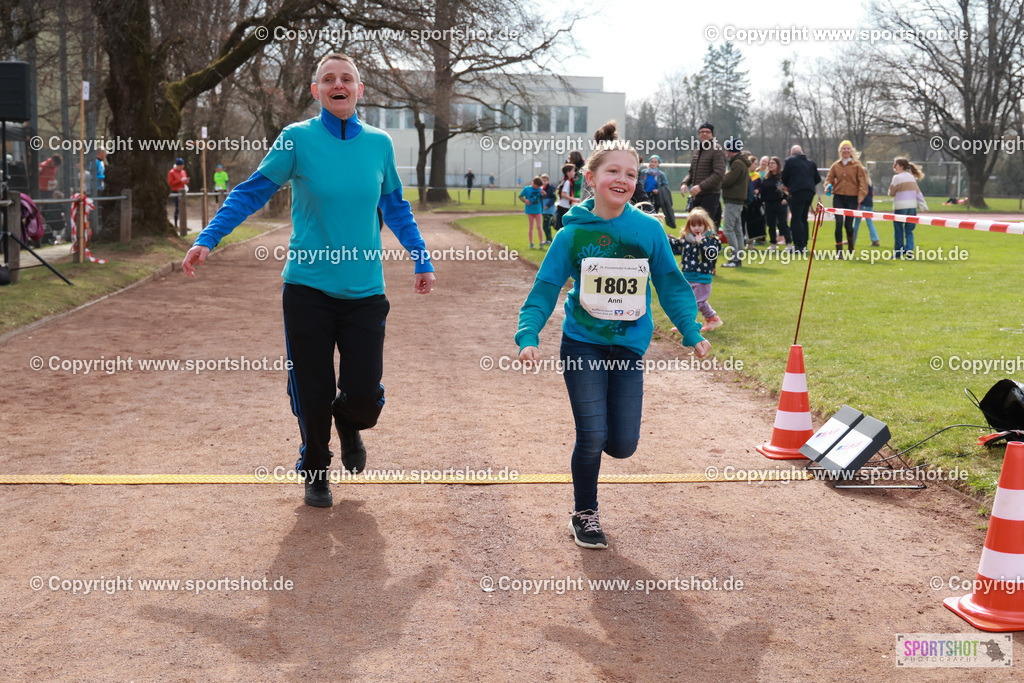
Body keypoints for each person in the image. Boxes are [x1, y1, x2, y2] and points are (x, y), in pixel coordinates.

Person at [181, 53, 436, 508]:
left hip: (364, 294)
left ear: (359, 90)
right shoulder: (295, 139)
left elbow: (395, 206)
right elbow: (253, 190)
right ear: (316, 91)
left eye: (347, 79)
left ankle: (350, 422)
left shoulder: (380, 144)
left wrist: (420, 257)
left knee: (362, 395)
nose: (338, 85)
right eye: (328, 79)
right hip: (307, 291)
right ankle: (316, 467)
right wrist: (209, 237)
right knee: (313, 388)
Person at [515, 121, 710, 549]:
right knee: (592, 435)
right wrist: (528, 334)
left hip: (627, 347)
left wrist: (691, 330)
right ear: (591, 178)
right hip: (582, 342)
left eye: (631, 174)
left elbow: (672, 284)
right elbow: (546, 287)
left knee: (621, 445)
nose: (622, 180)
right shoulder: (571, 233)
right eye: (613, 171)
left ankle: (602, 444)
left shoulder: (649, 231)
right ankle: (585, 513)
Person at [679, 207, 722, 332]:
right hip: (688, 276)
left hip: (702, 278)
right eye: (693, 225)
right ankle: (713, 319)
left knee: (695, 303)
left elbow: (712, 254)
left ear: (706, 226)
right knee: (695, 301)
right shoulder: (687, 240)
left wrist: (702, 243)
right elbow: (675, 246)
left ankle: (687, 325)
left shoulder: (711, 240)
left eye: (700, 225)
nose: (696, 228)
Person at [825, 140, 868, 257]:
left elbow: (863, 183)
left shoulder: (857, 165)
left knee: (848, 225)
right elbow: (829, 179)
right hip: (838, 197)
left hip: (852, 198)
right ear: (840, 151)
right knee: (838, 223)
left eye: (848, 148)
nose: (846, 151)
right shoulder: (835, 165)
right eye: (844, 148)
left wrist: (861, 196)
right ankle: (839, 251)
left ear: (851, 151)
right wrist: (827, 186)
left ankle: (850, 246)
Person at [679, 122, 726, 228]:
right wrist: (685, 183)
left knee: (706, 227)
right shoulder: (697, 150)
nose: (704, 134)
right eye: (702, 132)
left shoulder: (717, 149)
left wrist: (701, 186)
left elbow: (719, 173)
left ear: (712, 134)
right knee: (694, 226)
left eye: (707, 132)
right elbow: (691, 172)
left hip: (710, 195)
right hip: (697, 196)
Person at [781, 145, 821, 253]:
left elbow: (784, 176)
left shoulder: (789, 161)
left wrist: (790, 185)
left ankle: (798, 246)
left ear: (792, 153)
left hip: (797, 192)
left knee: (796, 218)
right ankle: (804, 245)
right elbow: (818, 178)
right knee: (804, 218)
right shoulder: (811, 163)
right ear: (802, 152)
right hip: (809, 192)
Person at [889, 157, 927, 259]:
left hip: (900, 207)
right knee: (909, 230)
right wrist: (923, 206)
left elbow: (891, 193)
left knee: (898, 230)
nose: (894, 167)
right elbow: (918, 192)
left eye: (895, 164)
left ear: (901, 166)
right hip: (912, 207)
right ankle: (909, 250)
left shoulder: (896, 178)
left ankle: (898, 252)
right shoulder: (911, 177)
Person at [719, 137, 750, 267]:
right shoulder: (741, 163)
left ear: (731, 150)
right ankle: (738, 256)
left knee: (728, 229)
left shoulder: (736, 164)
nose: (726, 153)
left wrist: (722, 175)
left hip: (733, 200)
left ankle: (735, 258)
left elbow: (727, 181)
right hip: (738, 201)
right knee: (737, 230)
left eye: (727, 150)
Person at [760, 156, 790, 248]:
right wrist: (763, 201)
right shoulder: (767, 177)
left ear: (777, 165)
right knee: (771, 224)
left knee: (782, 223)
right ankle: (773, 243)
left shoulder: (781, 177)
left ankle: (788, 243)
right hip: (769, 204)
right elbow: (763, 190)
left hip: (780, 203)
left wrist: (786, 199)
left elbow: (786, 189)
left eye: (773, 163)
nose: (770, 165)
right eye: (770, 163)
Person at [643, 155, 676, 229]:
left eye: (655, 162)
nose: (653, 163)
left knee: (653, 216)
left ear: (658, 164)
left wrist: (658, 191)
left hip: (655, 198)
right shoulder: (643, 173)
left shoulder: (661, 175)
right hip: (644, 196)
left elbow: (666, 186)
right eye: (652, 161)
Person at [519, 175, 544, 248]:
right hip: (529, 210)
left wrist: (544, 194)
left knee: (539, 226)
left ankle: (541, 243)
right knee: (531, 227)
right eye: (537, 186)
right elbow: (520, 196)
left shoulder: (539, 189)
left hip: (538, 210)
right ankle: (531, 243)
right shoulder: (526, 189)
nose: (538, 187)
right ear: (534, 183)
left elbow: (541, 198)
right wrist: (525, 200)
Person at [554, 163, 579, 232]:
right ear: (568, 172)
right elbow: (563, 194)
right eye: (573, 171)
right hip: (564, 207)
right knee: (564, 227)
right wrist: (574, 199)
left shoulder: (565, 181)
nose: (574, 173)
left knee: (563, 227)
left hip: (562, 206)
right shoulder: (567, 182)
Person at [853, 183, 880, 247]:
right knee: (869, 222)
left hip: (862, 204)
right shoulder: (870, 183)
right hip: (870, 204)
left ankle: (852, 240)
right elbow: (872, 194)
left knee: (856, 222)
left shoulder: (861, 183)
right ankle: (875, 240)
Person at [167, 158, 189, 226]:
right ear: (177, 165)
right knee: (177, 208)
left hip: (183, 191)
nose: (182, 167)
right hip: (176, 191)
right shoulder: (172, 172)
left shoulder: (183, 172)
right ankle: (176, 224)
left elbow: (185, 182)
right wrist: (180, 181)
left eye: (183, 166)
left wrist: (186, 182)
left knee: (183, 208)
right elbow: (171, 183)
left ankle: (184, 224)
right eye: (181, 166)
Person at [540, 173, 557, 245]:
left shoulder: (550, 188)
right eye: (542, 180)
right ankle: (548, 239)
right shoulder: (541, 188)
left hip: (548, 210)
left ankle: (549, 240)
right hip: (544, 210)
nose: (543, 182)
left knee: (546, 225)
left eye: (545, 180)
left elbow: (554, 197)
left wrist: (548, 205)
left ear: (548, 181)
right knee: (545, 225)